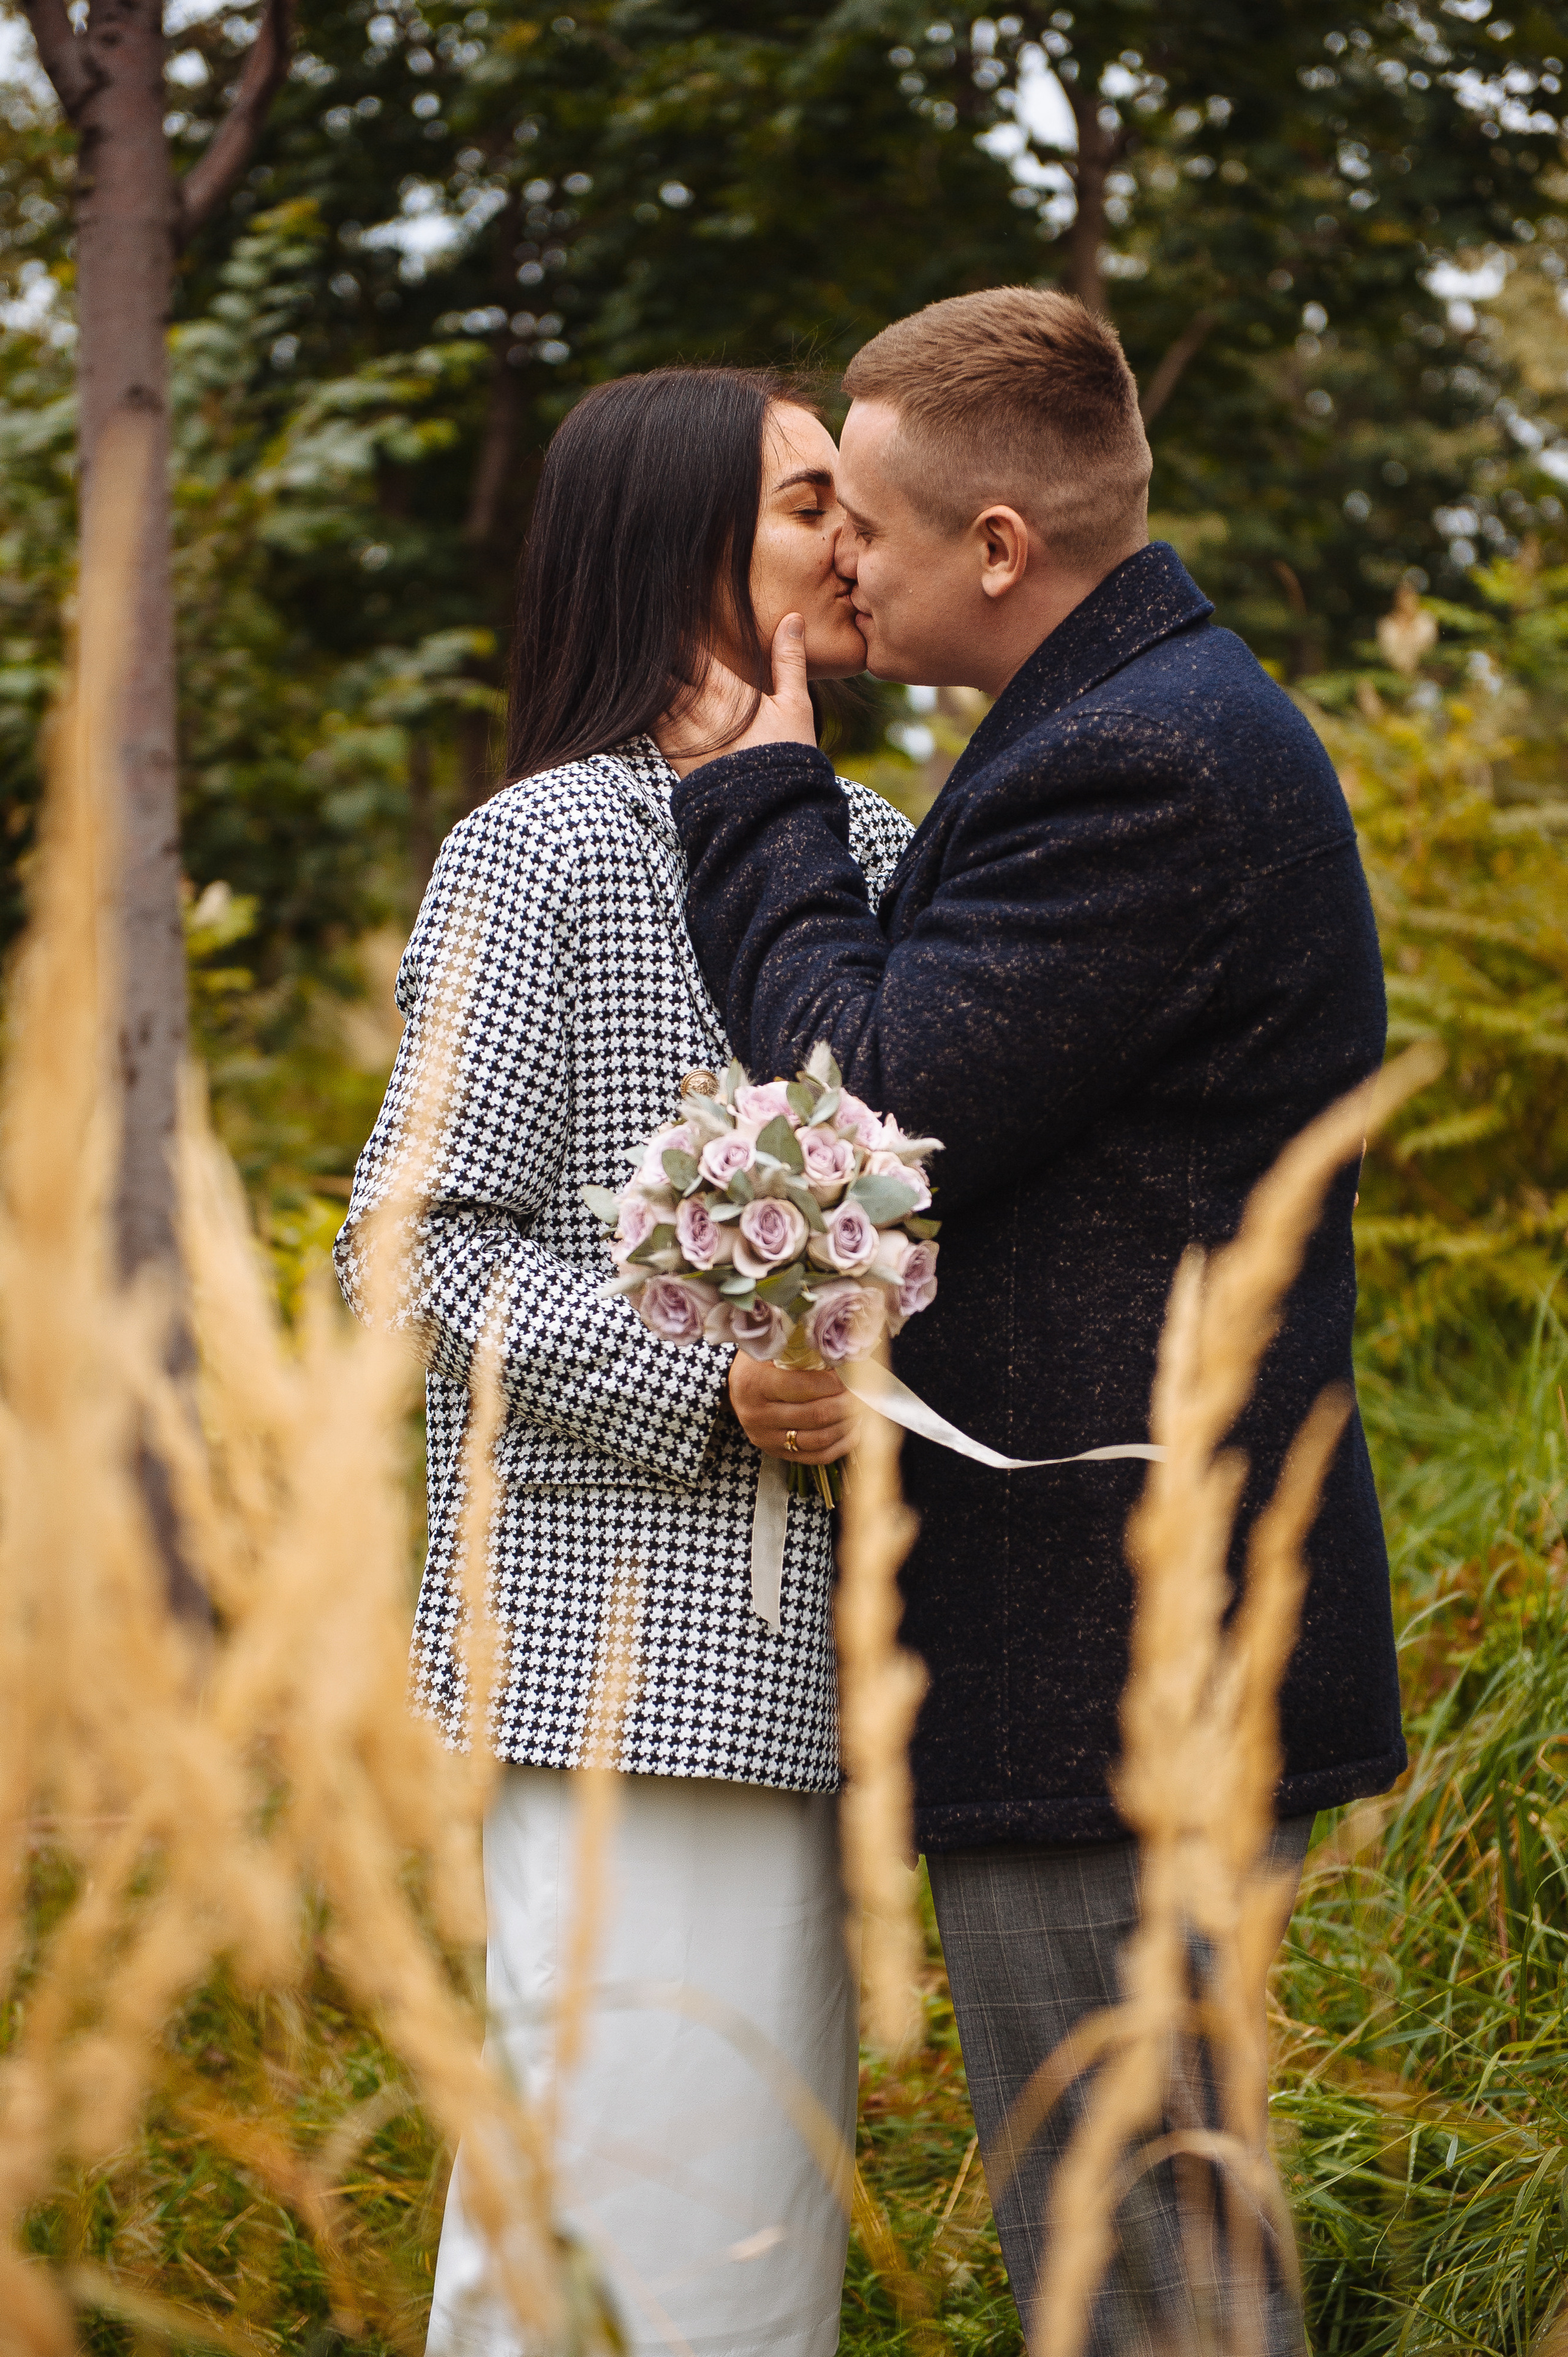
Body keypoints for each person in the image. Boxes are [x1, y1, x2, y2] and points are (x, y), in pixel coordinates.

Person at [663, 288, 1405, 2353]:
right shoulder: (1130, 720)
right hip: (1112, 1649)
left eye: (867, 537)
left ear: (999, 545)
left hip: (1107, 1661)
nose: (834, 574)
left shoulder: (1146, 762)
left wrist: (757, 788)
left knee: (1142, 2282)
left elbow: (864, 1101)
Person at [334, 366, 910, 2357]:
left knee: (759, 2254)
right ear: (682, 542)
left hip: (852, 1658)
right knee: (616, 2220)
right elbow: (401, 1251)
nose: (859, 539)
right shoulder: (544, 852)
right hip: (621, 1670)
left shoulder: (878, 842)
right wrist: (711, 1383)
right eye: (811, 502)